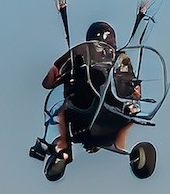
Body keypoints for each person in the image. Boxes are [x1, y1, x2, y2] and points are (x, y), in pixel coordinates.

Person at [41, 21, 139, 158]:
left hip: (85, 111)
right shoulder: (120, 59)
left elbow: (49, 81)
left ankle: (63, 146)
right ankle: (119, 144)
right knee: (131, 113)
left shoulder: (78, 55)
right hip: (111, 112)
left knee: (63, 111)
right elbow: (133, 87)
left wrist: (60, 77)